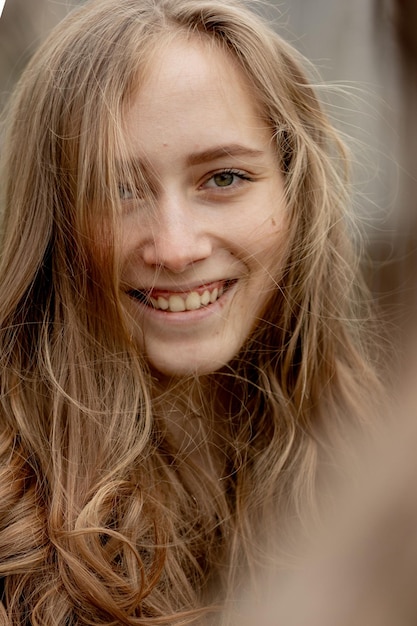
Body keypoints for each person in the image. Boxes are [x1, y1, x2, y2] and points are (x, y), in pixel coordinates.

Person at [0, 0, 381, 623]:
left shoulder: (375, 462)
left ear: (294, 191)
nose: (176, 248)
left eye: (224, 178)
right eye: (119, 189)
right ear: (54, 224)